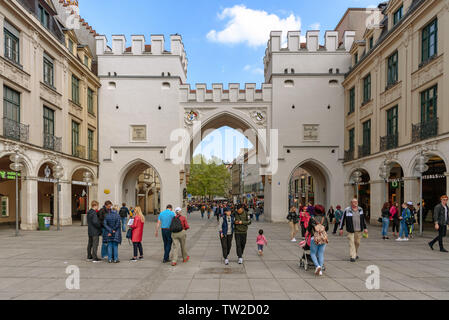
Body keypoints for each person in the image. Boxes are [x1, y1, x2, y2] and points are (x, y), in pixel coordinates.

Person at [308, 205, 329, 276]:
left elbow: (308, 229)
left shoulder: (312, 218)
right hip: (323, 238)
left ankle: (317, 266)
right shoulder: (325, 218)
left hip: (314, 238)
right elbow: (327, 228)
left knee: (313, 253)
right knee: (321, 253)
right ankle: (320, 271)